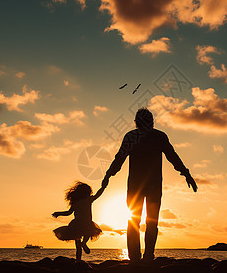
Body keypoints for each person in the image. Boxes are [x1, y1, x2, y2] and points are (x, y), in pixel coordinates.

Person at [102, 107, 197, 261]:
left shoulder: (134, 136)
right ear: (151, 122)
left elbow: (119, 159)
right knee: (150, 222)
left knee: (135, 222)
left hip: (136, 186)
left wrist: (108, 175)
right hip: (152, 185)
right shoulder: (158, 137)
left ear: (136, 123)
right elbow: (172, 156)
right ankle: (147, 257)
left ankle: (136, 258)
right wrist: (186, 173)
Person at [52, 181, 106, 260]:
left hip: (77, 224)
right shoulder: (88, 200)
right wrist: (103, 187)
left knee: (77, 244)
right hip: (87, 223)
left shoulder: (75, 203)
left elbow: (68, 213)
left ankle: (78, 260)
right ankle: (84, 243)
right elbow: (98, 194)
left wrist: (58, 213)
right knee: (88, 233)